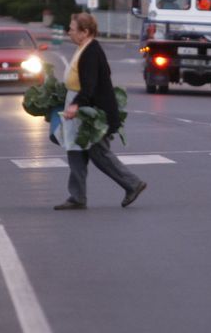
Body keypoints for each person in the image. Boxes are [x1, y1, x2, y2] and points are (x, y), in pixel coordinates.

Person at [54, 12, 147, 211]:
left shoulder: (91, 52)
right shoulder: (83, 48)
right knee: (75, 151)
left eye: (71, 29)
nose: (68, 32)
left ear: (84, 32)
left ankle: (132, 183)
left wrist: (75, 105)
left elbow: (89, 85)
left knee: (98, 153)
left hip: (94, 112)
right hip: (83, 108)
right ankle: (77, 196)